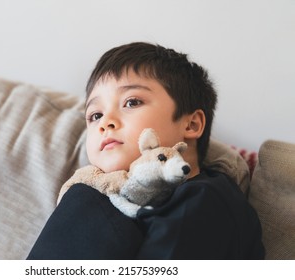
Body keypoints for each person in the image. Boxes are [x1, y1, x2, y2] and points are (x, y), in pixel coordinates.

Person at [27, 42, 265, 259]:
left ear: (191, 124)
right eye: (95, 115)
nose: (105, 123)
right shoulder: (98, 195)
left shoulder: (206, 200)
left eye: (132, 102)